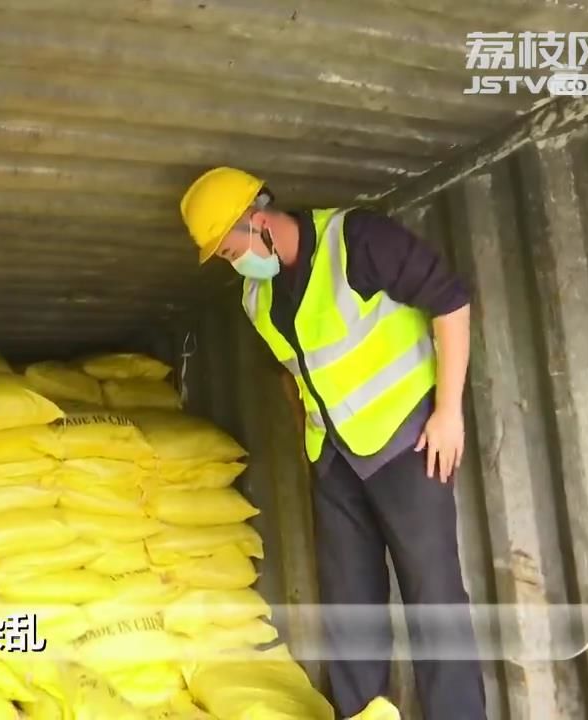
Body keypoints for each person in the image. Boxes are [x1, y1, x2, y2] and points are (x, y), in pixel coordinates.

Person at [179, 167, 485, 720]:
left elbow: (450, 301)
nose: (234, 262)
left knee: (434, 598)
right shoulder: (257, 296)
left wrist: (448, 413)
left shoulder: (356, 239)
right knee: (350, 608)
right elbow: (290, 370)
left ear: (258, 220)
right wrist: (310, 440)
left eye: (230, 249)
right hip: (335, 461)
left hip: (407, 444)